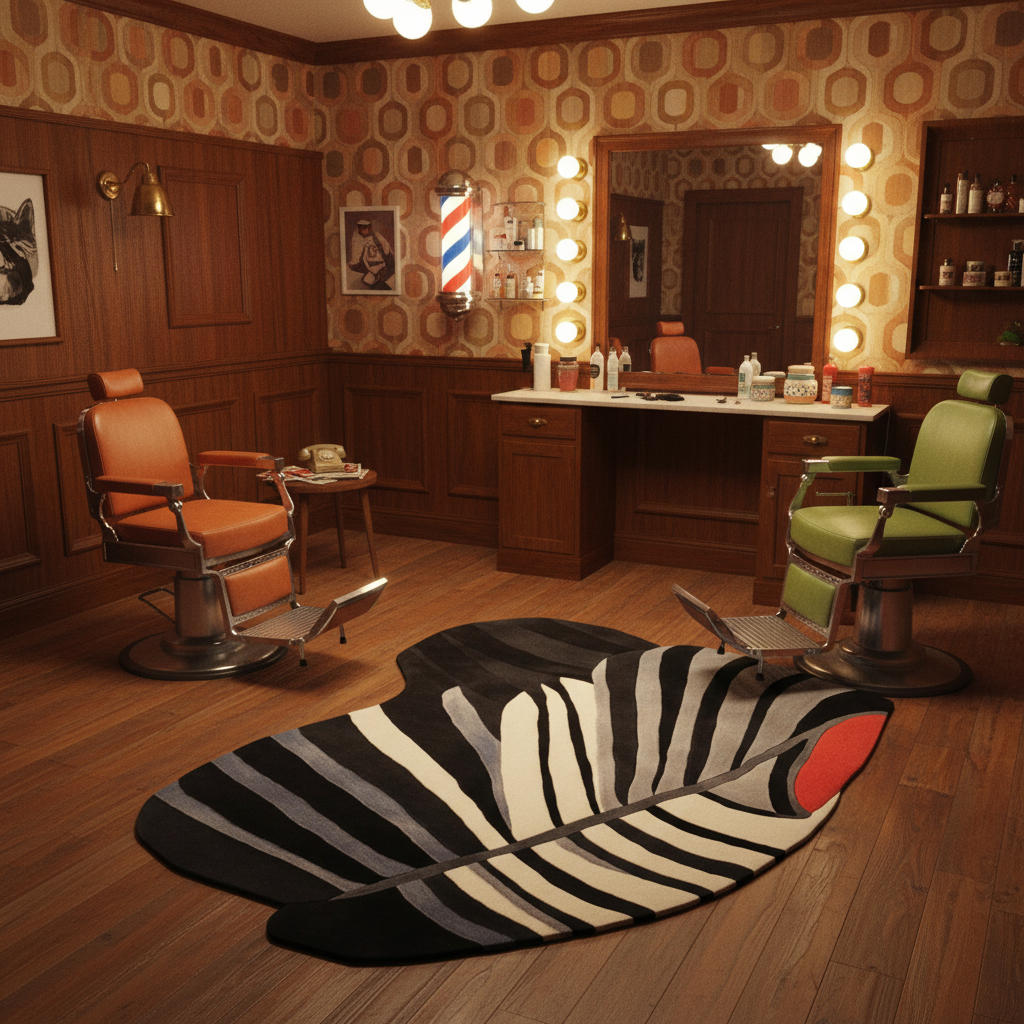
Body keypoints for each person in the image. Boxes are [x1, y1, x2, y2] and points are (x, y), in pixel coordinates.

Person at [348, 218, 394, 290]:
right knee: (367, 281)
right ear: (359, 228)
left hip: (382, 265)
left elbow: (387, 250)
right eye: (363, 228)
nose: (365, 230)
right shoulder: (356, 238)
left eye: (367, 228)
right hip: (368, 267)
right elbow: (356, 258)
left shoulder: (377, 236)